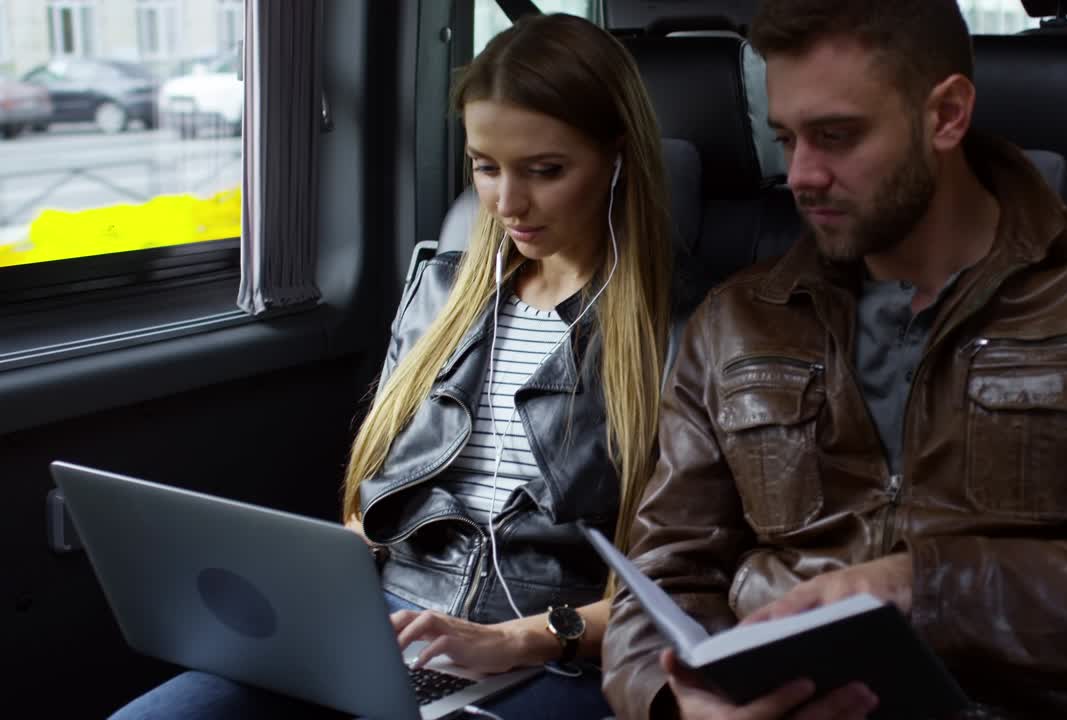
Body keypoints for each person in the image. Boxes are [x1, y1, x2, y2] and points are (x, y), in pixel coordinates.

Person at [601, 1, 1067, 719]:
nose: (800, 176)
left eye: (837, 136)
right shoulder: (738, 319)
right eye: (786, 139)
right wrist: (678, 703)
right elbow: (660, 574)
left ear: (945, 115)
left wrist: (926, 587)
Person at [111, 12, 677, 720]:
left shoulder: (681, 330)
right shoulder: (440, 290)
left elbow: (671, 584)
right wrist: (330, 597)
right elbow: (373, 491)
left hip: (552, 647)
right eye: (485, 167)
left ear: (617, 156)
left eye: (547, 170)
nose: (507, 204)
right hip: (389, 621)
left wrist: (516, 640)